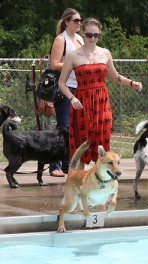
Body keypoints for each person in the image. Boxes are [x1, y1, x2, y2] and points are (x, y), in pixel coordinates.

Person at [58, 18, 142, 170]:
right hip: (81, 102)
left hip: (101, 102)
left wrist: (132, 83)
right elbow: (61, 83)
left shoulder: (105, 53)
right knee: (82, 141)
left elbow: (115, 77)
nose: (93, 38)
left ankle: (100, 181)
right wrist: (72, 97)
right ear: (83, 33)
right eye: (89, 35)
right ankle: (79, 184)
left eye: (96, 35)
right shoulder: (72, 55)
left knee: (102, 140)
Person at [48, 8, 84, 177]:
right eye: (76, 20)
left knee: (75, 127)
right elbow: (55, 64)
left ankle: (67, 163)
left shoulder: (80, 39)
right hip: (65, 87)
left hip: (80, 86)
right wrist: (75, 63)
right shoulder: (60, 39)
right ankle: (55, 164)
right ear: (67, 22)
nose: (79, 23)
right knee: (63, 126)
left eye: (80, 20)